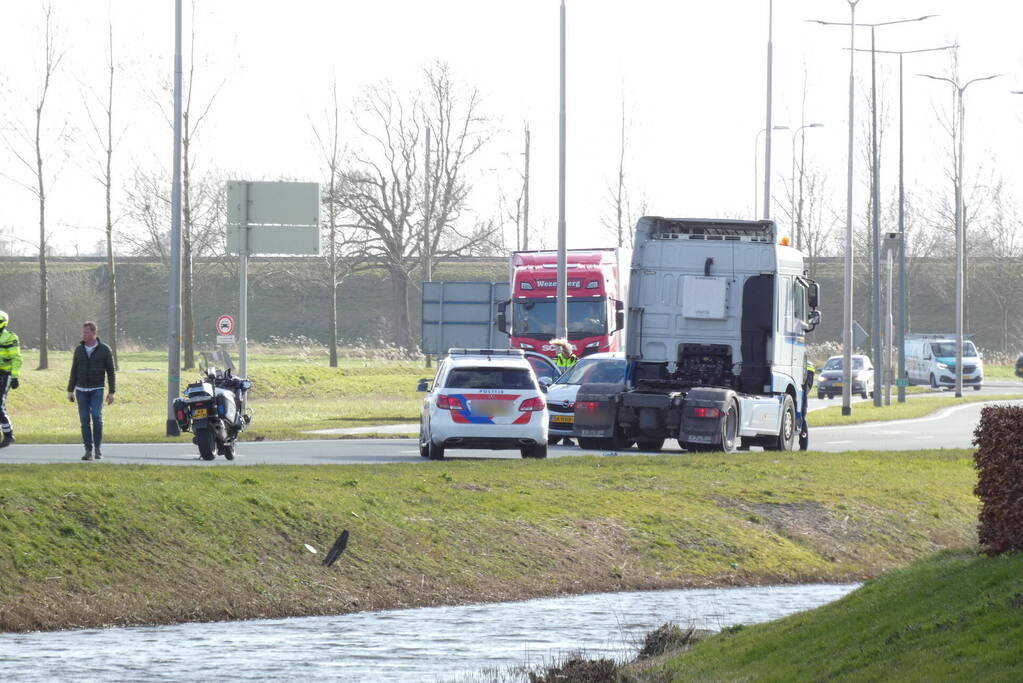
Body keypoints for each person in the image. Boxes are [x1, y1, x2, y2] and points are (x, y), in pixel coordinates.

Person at [67, 321, 116, 461]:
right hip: (81, 390)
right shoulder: (79, 349)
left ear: (94, 333)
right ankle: (88, 450)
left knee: (96, 416)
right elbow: (74, 370)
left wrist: (112, 391)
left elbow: (111, 372)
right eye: (83, 332)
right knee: (84, 419)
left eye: (86, 332)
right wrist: (70, 390)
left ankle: (98, 449)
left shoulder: (104, 349)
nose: (84, 335)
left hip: (97, 389)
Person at [0, 310, 22, 449]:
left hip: (5, 374)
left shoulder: (10, 338)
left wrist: (15, 377)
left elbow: (16, 359)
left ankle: (9, 435)